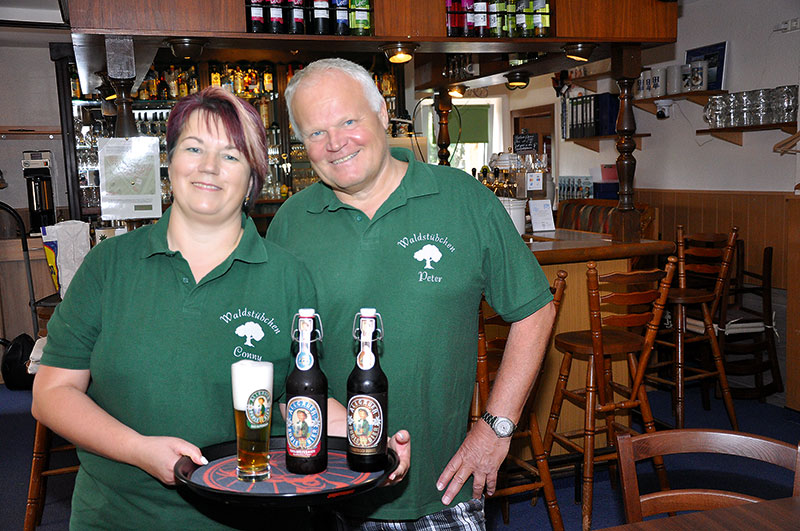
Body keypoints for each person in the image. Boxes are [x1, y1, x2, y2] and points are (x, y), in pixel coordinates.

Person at [31, 86, 409, 529]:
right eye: (194, 148)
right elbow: (53, 395)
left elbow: (298, 398)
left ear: (253, 176)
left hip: (254, 514)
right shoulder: (108, 265)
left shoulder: (287, 275)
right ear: (169, 161)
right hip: (118, 516)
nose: (209, 167)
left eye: (231, 155)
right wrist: (139, 449)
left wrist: (370, 442)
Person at [266, 58, 555, 529]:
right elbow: (273, 356)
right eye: (316, 133)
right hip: (323, 491)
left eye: (348, 121)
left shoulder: (464, 199)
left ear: (382, 114)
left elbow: (534, 310)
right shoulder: (289, 223)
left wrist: (497, 427)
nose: (335, 143)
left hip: (443, 490)